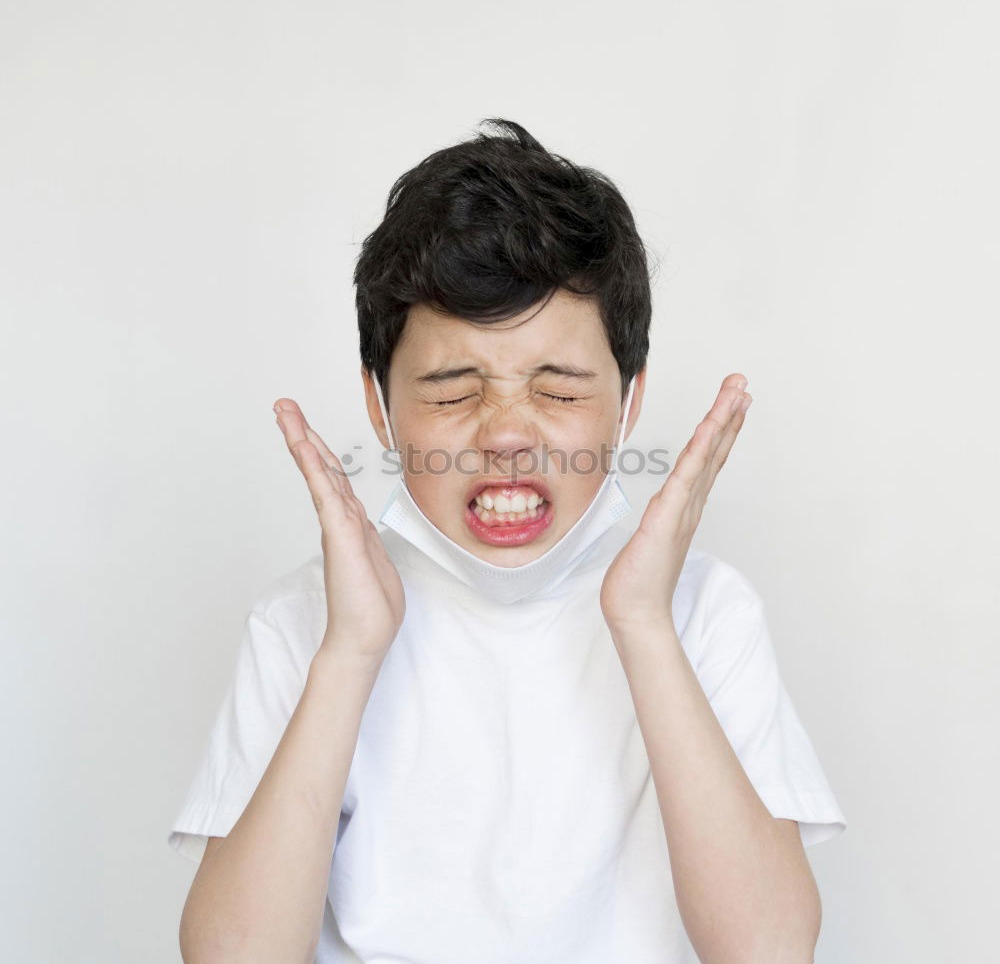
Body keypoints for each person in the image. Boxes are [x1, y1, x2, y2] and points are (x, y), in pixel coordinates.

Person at [168, 118, 847, 963]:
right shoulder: (302, 623)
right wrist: (348, 652)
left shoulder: (706, 612)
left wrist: (642, 624)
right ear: (380, 409)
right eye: (453, 391)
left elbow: (770, 951)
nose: (506, 435)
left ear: (630, 400)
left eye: (558, 391)